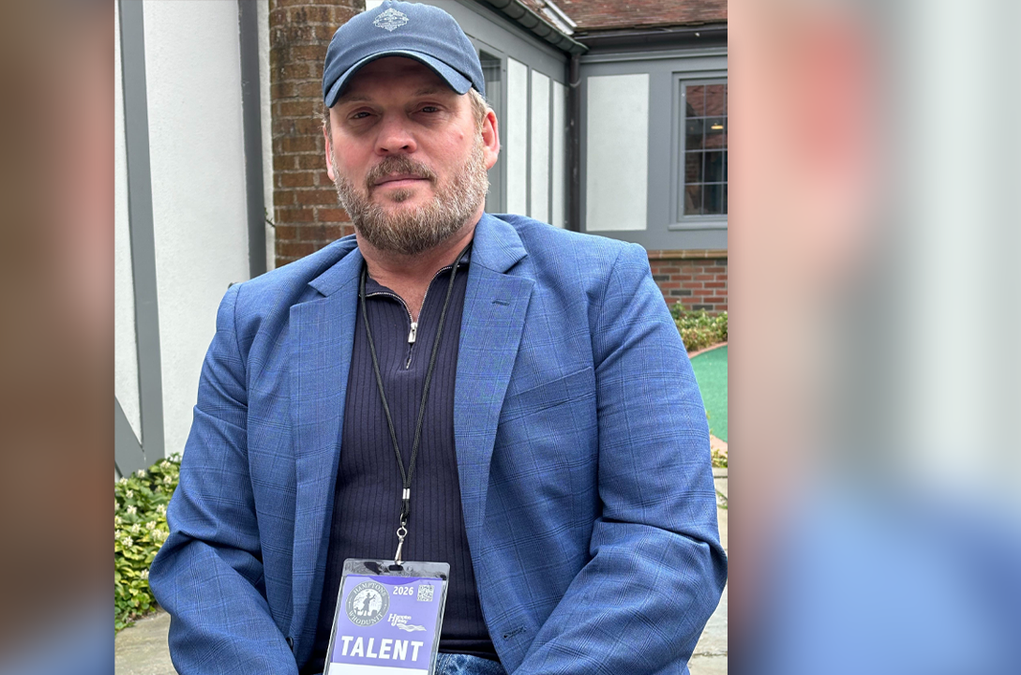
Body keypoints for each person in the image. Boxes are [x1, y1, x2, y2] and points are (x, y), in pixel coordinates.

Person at [149, 3, 726, 674]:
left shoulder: (601, 291)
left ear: (484, 134)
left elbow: (666, 540)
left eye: (427, 109)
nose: (394, 138)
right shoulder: (255, 320)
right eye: (362, 116)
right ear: (330, 150)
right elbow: (204, 551)